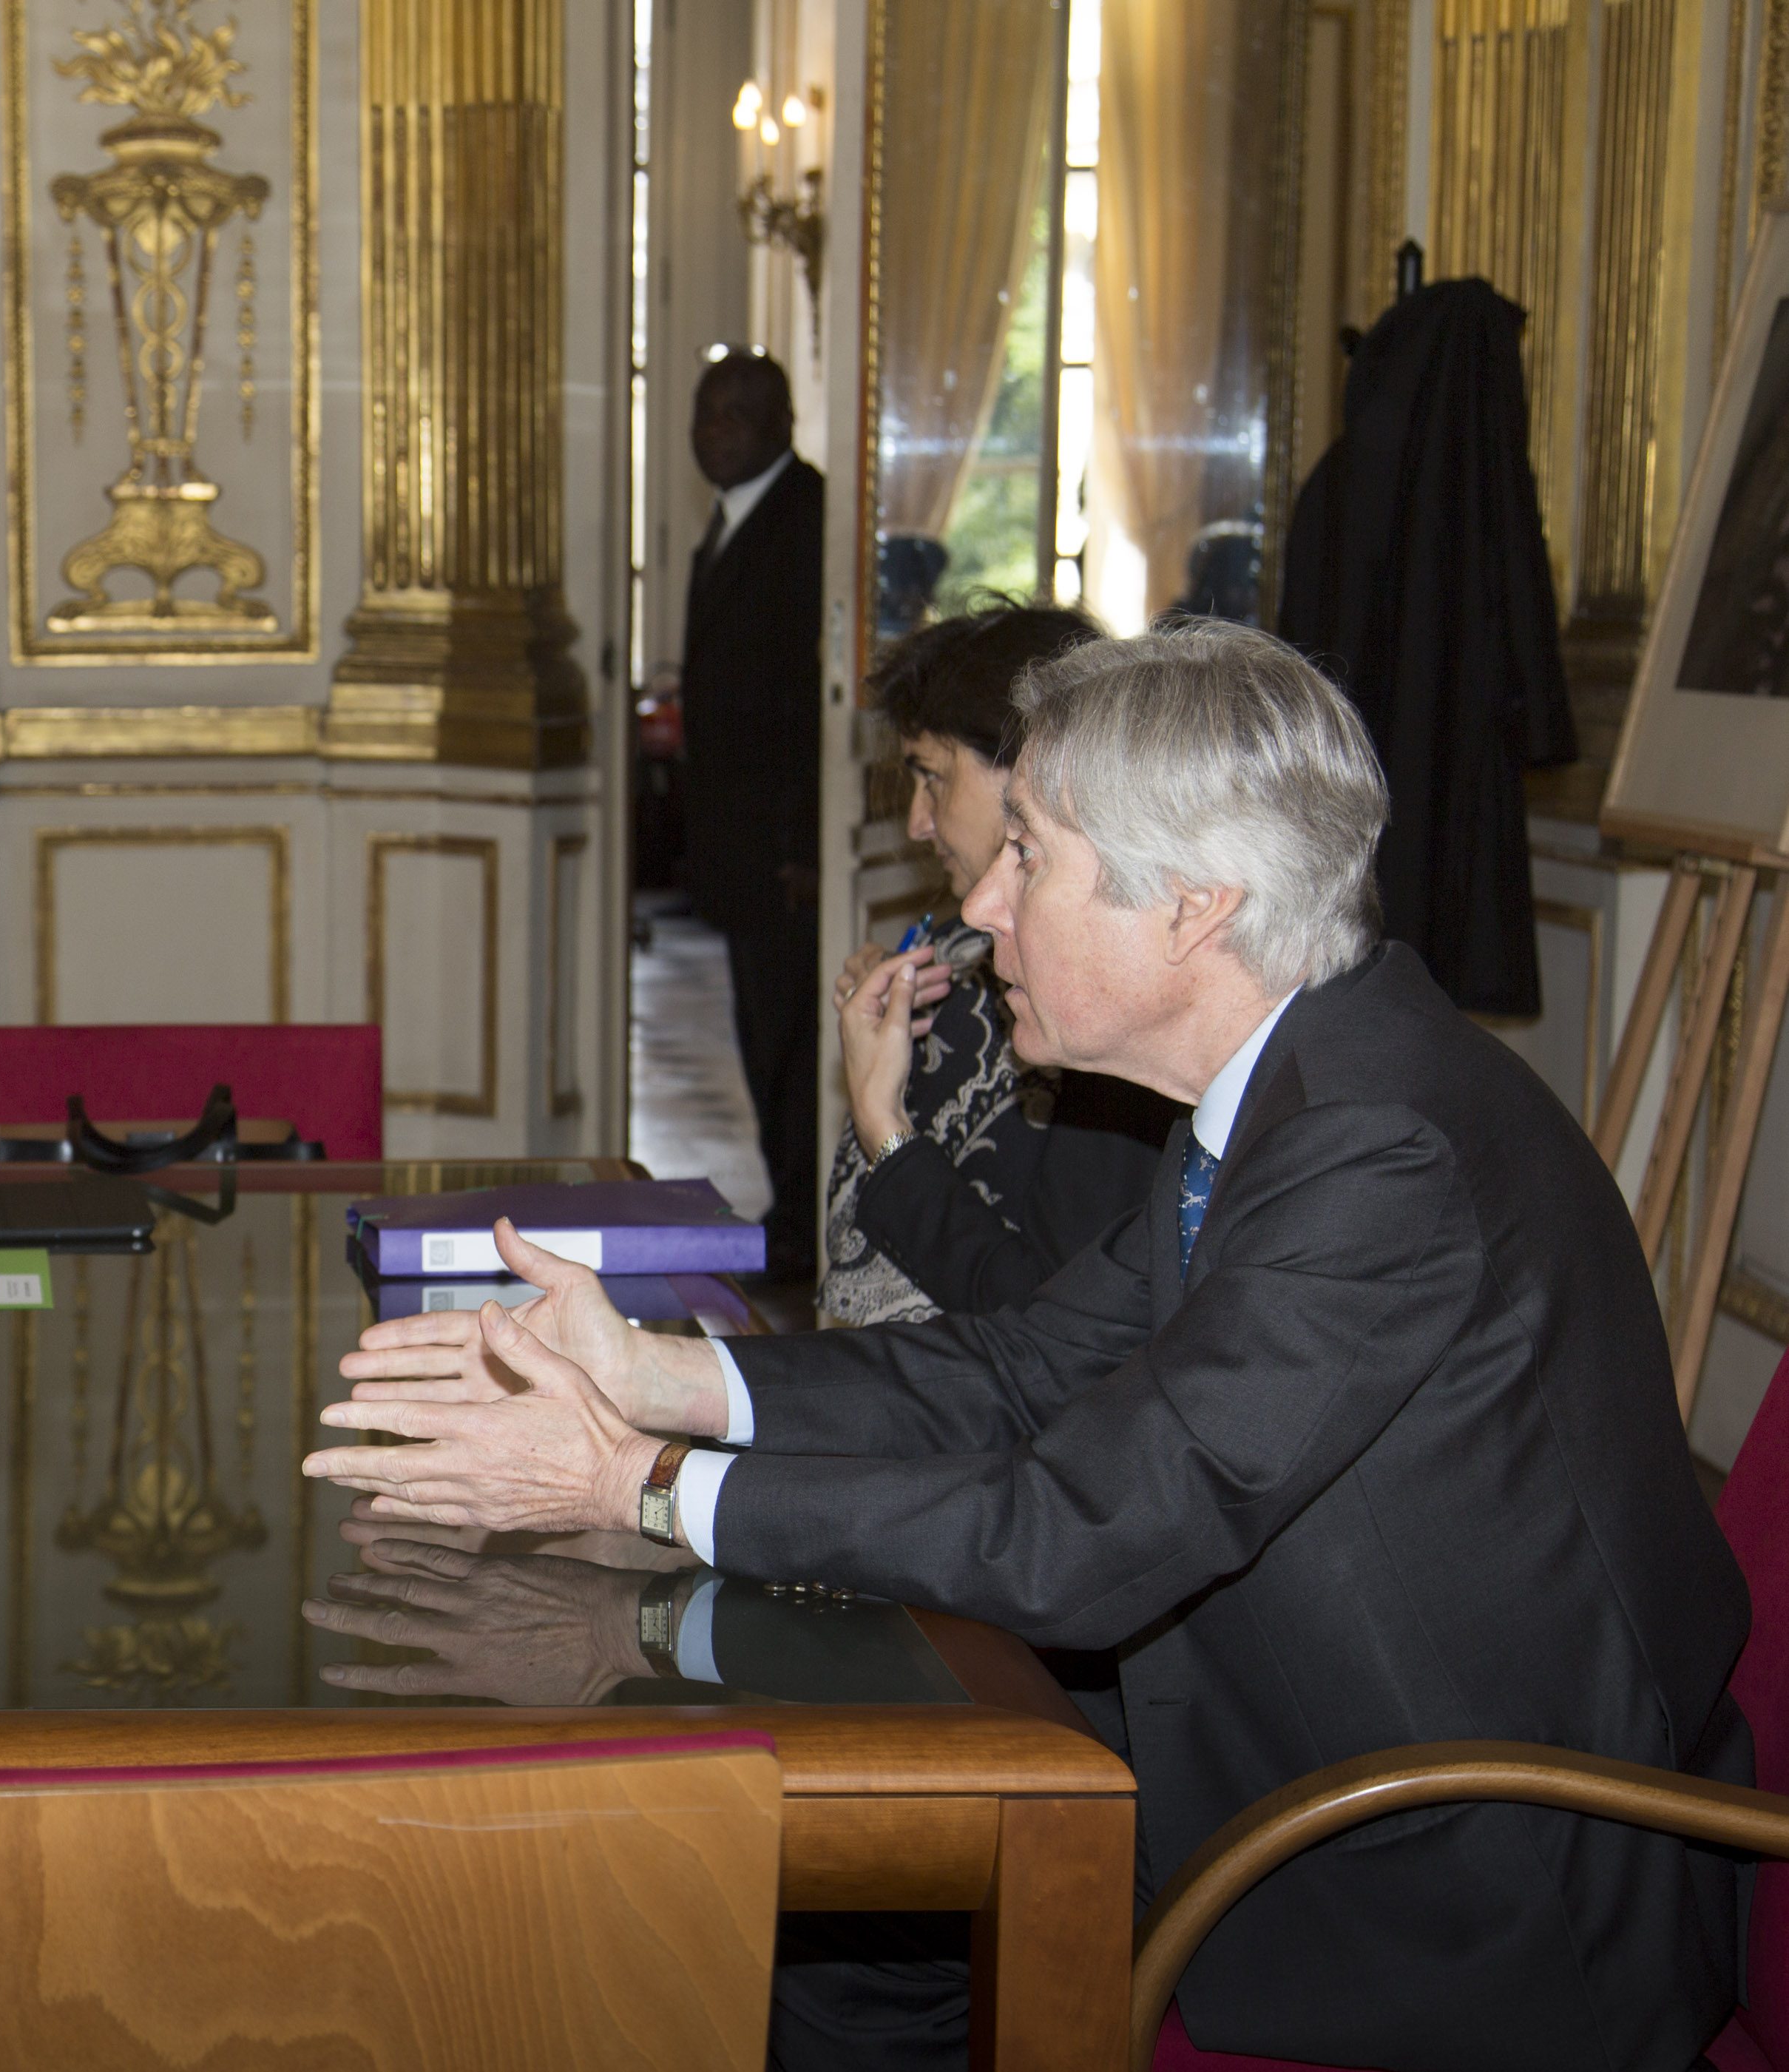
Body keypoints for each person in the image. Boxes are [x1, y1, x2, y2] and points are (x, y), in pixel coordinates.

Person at [304, 624, 1747, 2071]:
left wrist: (635, 1481)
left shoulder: (1379, 1149)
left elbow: (1084, 1526)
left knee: (840, 1927)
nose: (981, 904)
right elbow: (1013, 1366)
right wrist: (655, 1371)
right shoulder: (1290, 1081)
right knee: (847, 1947)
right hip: (1287, 1750)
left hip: (1450, 1880)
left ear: (1192, 905)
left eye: (1032, 858)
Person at [822, 604, 1174, 1325]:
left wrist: (880, 1118)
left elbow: (1047, 1322)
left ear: (1029, 768)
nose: (918, 822)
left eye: (934, 777)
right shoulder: (954, 950)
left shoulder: (1113, 999)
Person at [674, 351, 826, 1277]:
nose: (716, 429)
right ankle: (785, 1211)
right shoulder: (733, 518)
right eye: (706, 411)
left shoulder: (805, 519)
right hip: (740, 844)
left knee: (790, 1045)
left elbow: (818, 701)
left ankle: (803, 1226)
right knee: (760, 1037)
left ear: (781, 426)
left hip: (784, 851)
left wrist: (807, 841)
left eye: (737, 413)